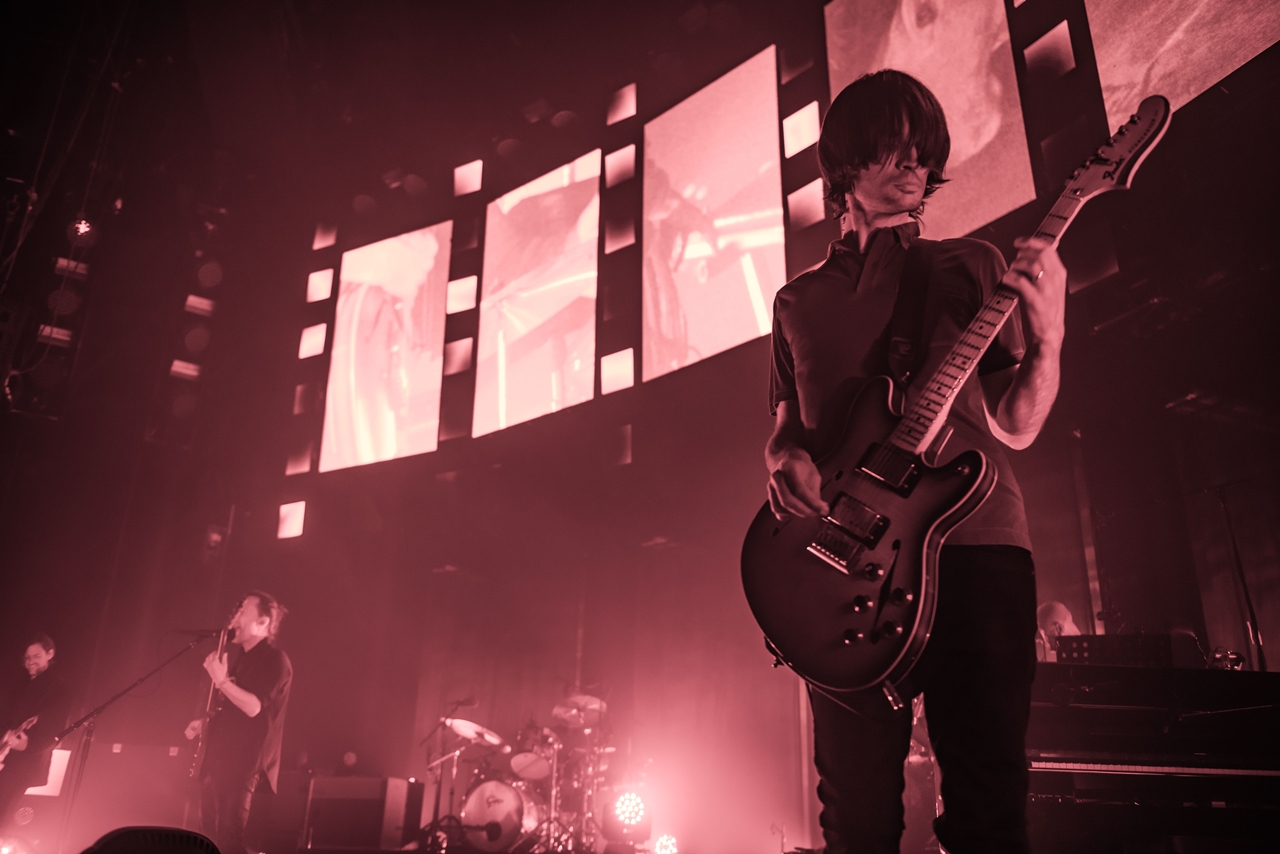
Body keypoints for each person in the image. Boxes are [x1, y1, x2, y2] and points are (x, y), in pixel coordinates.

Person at [766, 70, 1066, 854]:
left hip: (978, 551)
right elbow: (785, 429)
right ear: (844, 163)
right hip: (848, 568)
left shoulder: (969, 264)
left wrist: (1051, 339)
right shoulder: (796, 303)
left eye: (923, 150)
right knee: (856, 821)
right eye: (894, 144)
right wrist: (783, 459)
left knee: (989, 807)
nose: (913, 163)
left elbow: (1016, 422)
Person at [185, 592, 292, 854]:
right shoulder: (242, 659)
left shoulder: (275, 660)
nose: (235, 615)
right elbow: (234, 709)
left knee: (231, 843)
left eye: (243, 609)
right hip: (219, 763)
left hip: (244, 767)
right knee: (207, 840)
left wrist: (221, 681)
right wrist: (205, 721)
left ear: (262, 622)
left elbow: (254, 707)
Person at [0, 634, 70, 829]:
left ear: (50, 654)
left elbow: (55, 733)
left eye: (36, 656)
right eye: (28, 657)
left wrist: (26, 745)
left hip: (22, 766)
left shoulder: (59, 690)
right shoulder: (19, 683)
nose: (30, 661)